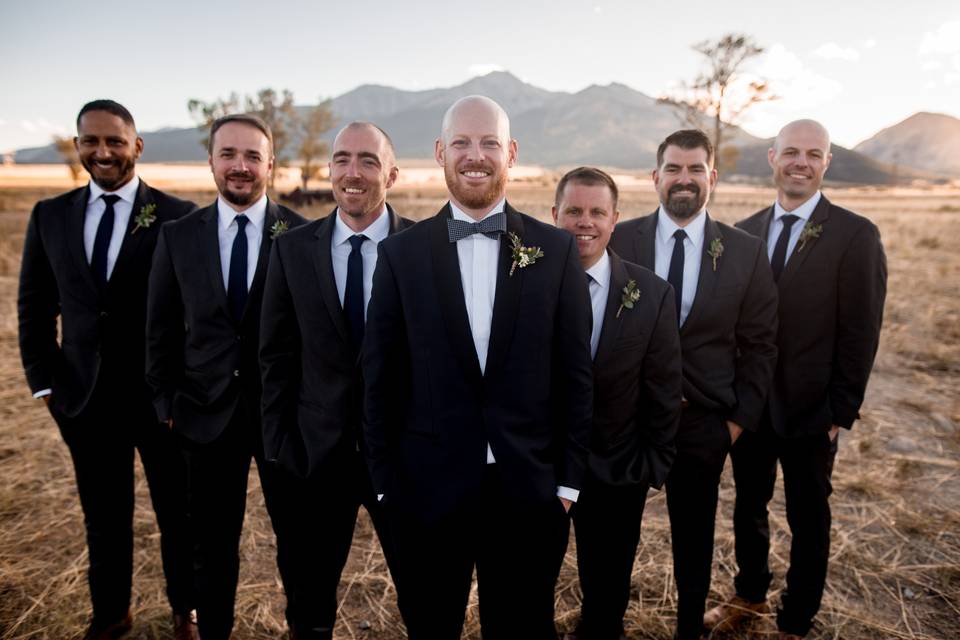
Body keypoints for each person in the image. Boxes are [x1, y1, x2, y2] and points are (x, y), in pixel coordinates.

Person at [362, 95, 593, 639]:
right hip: (426, 493)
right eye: (462, 142)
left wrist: (567, 484)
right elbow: (379, 380)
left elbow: (575, 376)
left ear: (510, 153)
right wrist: (385, 488)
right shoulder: (400, 255)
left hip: (529, 493)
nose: (476, 155)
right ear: (441, 152)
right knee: (431, 627)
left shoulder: (555, 250)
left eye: (490, 142)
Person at [17, 99, 198, 640]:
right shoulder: (50, 215)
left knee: (178, 515)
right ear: (77, 148)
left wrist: (182, 393)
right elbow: (33, 307)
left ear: (136, 146)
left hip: (159, 403)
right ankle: (111, 617)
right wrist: (47, 386)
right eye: (91, 142)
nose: (103, 152)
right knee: (104, 518)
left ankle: (186, 613)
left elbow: (195, 313)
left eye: (114, 141)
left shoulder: (177, 215)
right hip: (84, 400)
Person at [703, 119, 887, 640]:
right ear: (773, 158)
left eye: (812, 153)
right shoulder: (744, 232)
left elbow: (861, 332)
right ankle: (750, 594)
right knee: (747, 507)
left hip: (813, 412)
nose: (800, 162)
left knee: (809, 519)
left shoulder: (856, 235)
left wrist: (839, 413)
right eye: (791, 152)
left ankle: (796, 619)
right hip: (752, 407)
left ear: (826, 162)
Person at [609, 129, 778, 640]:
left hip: (703, 425)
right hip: (627, 422)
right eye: (674, 169)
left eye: (695, 169)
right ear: (655, 177)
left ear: (712, 177)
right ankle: (604, 624)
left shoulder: (745, 251)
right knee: (615, 539)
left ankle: (688, 630)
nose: (684, 180)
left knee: (694, 540)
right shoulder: (621, 239)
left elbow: (761, 344)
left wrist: (734, 424)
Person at [145, 113, 306, 640]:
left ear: (270, 165)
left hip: (282, 418)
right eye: (229, 154)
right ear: (211, 160)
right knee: (211, 547)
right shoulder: (177, 236)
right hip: (203, 418)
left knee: (298, 543)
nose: (241, 166)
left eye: (253, 156)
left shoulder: (302, 237)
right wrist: (166, 405)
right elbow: (161, 329)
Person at [259, 122, 412, 638]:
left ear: (391, 173)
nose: (353, 172)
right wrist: (279, 444)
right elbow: (275, 354)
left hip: (403, 459)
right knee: (309, 603)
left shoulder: (423, 249)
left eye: (368, 160)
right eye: (342, 159)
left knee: (424, 596)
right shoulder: (293, 248)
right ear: (329, 170)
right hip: (314, 458)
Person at [552, 167, 683, 640]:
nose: (584, 222)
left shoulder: (651, 293)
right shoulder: (524, 284)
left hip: (618, 473)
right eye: (574, 211)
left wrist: (652, 466)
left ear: (614, 219)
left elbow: (665, 388)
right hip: (541, 470)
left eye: (596, 213)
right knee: (528, 589)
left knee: (606, 598)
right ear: (555, 215)